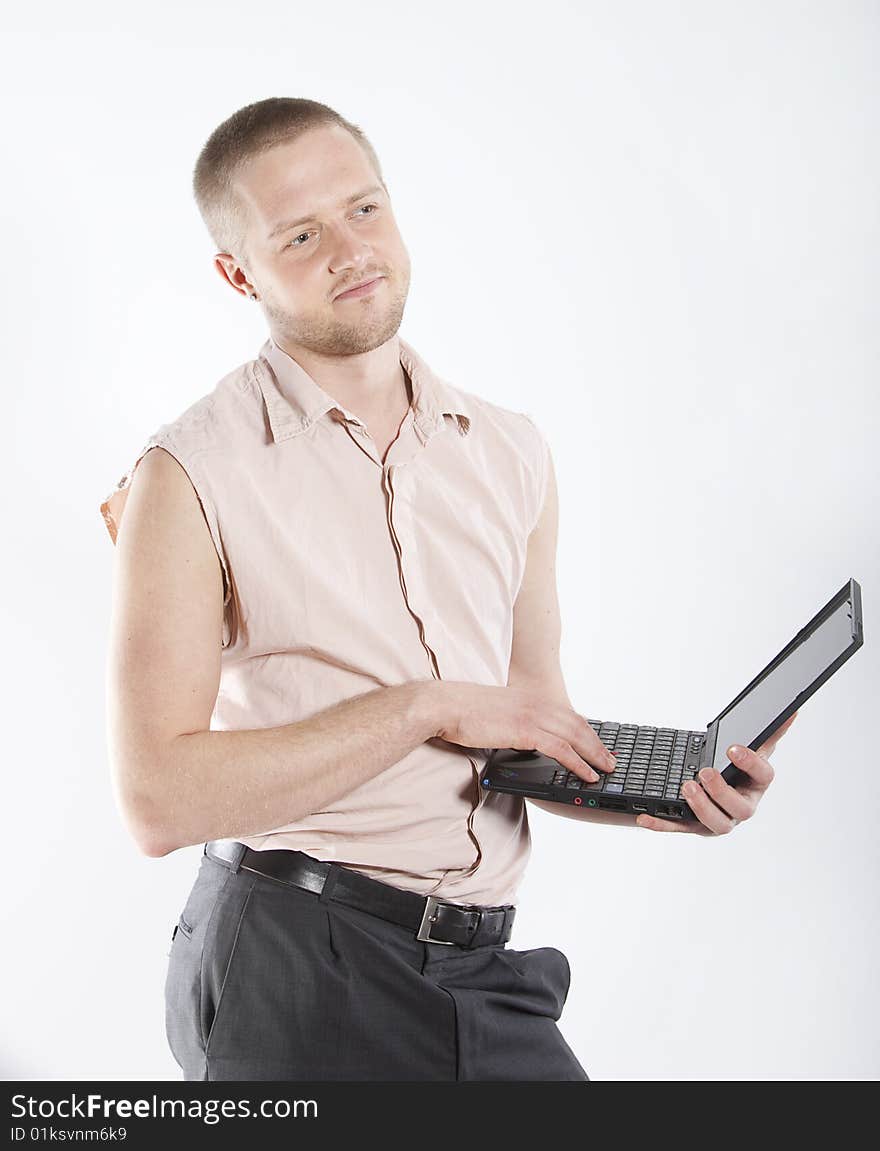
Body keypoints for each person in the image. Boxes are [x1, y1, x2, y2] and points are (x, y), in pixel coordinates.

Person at [100, 97, 797, 1082]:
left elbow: (526, 721)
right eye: (300, 234)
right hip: (293, 958)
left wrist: (667, 788)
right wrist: (424, 705)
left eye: (365, 208)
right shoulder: (188, 473)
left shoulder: (508, 451)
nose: (350, 249)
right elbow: (156, 802)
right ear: (237, 271)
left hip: (480, 967)